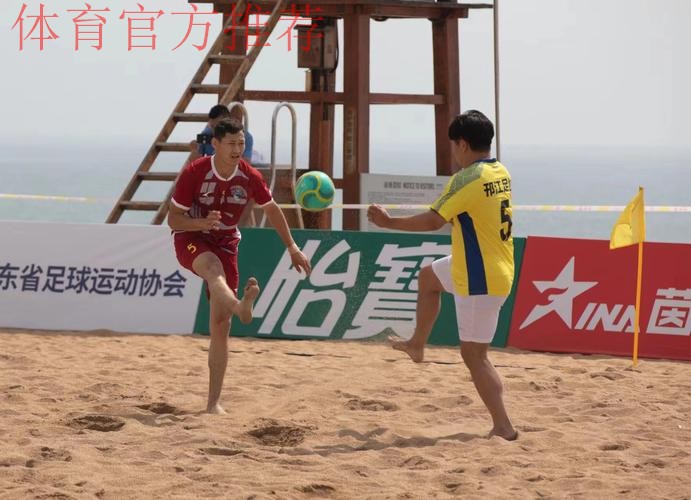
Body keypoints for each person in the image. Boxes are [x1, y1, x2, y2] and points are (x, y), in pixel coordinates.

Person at [367, 110, 517, 441]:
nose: (453, 152)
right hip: (487, 264)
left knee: (474, 355)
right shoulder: (499, 170)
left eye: (453, 145)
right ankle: (417, 344)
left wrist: (388, 222)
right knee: (428, 278)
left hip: (480, 278)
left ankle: (503, 426)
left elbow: (434, 221)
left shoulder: (467, 178)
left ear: (462, 144)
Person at [169, 118, 311, 414]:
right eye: (231, 143)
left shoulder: (249, 176)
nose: (237, 149)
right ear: (216, 144)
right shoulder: (195, 172)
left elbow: (272, 209)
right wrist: (201, 223)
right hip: (191, 237)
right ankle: (240, 306)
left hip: (227, 242)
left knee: (221, 327)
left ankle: (213, 404)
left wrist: (293, 248)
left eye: (241, 143)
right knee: (212, 269)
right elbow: (173, 219)